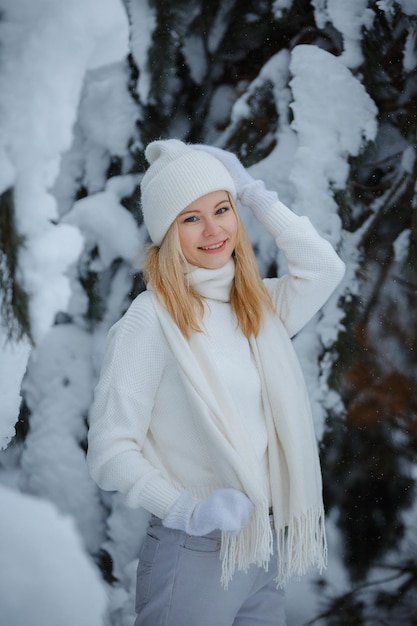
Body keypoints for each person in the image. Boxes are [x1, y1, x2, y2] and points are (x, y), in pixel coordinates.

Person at [87, 139, 345, 626]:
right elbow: (109, 449)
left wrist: (253, 192)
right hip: (196, 549)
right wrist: (187, 510)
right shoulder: (151, 321)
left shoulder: (256, 306)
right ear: (167, 233)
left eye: (221, 210)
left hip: (262, 543)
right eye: (190, 218)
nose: (213, 230)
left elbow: (324, 267)